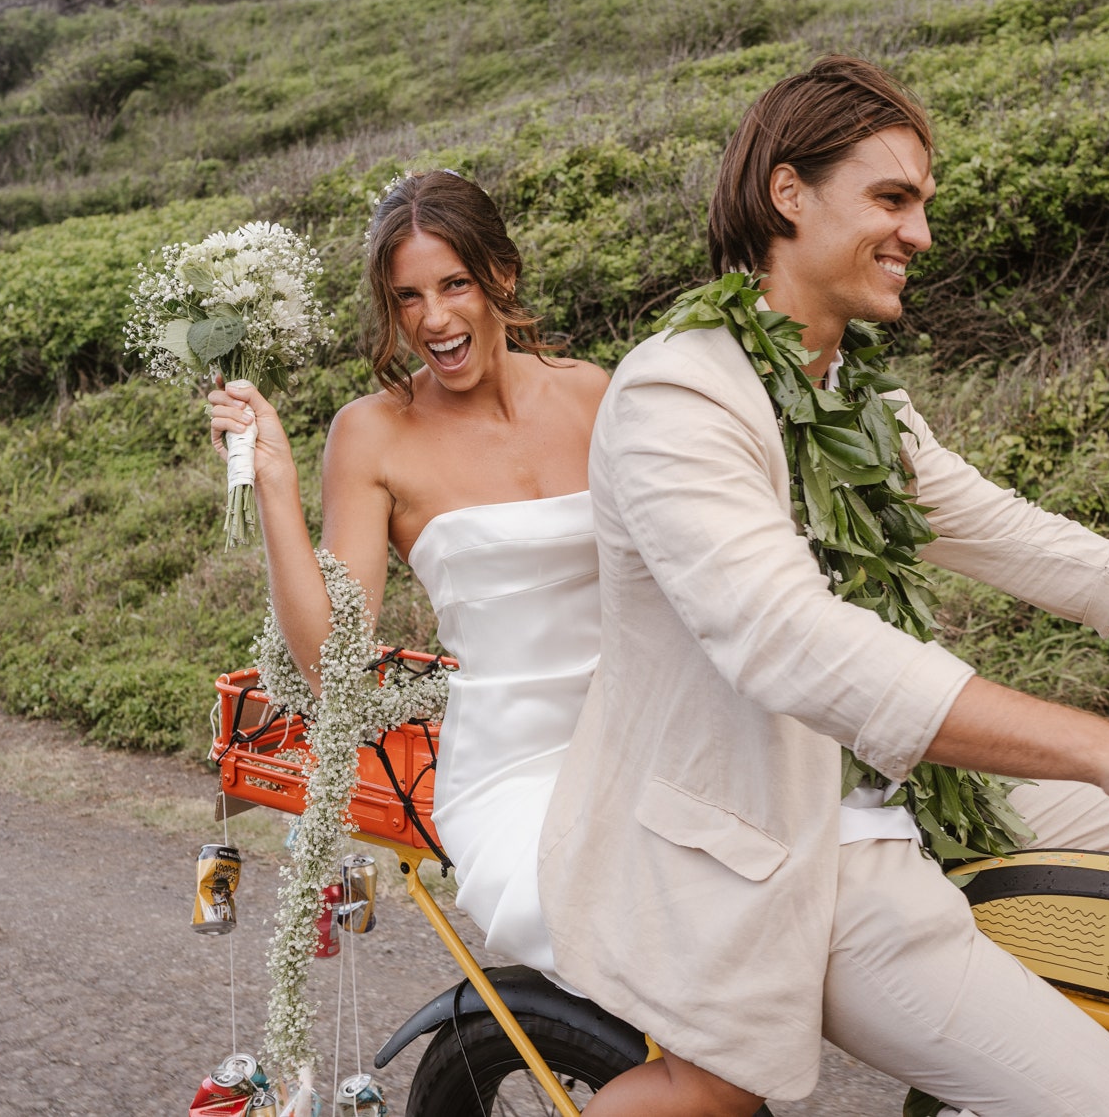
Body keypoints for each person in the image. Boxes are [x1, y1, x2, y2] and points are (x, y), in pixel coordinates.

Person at [537, 56, 1109, 1117]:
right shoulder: (680, 396)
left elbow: (1020, 539)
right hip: (787, 839)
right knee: (1085, 1099)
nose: (921, 234)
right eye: (891, 199)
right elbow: (791, 641)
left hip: (905, 788)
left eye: (923, 204)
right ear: (787, 194)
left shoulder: (854, 399)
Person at [207, 170, 742, 1114]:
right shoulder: (372, 435)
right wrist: (278, 488)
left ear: (499, 273)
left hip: (658, 734)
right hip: (520, 771)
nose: (433, 317)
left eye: (452, 283)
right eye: (406, 296)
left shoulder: (598, 395)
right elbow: (336, 660)